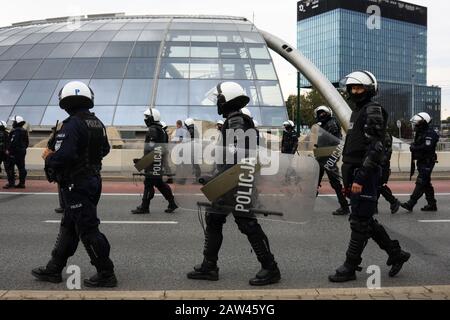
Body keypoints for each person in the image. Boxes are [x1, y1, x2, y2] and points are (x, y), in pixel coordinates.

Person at [187, 81, 281, 286]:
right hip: (228, 183)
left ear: (226, 100)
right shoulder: (234, 120)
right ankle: (209, 266)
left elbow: (238, 157)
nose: (217, 103)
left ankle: (270, 268)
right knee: (214, 220)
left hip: (236, 184)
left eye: (219, 99)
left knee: (247, 224)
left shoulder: (237, 121)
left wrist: (218, 178)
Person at [32, 81, 117, 287]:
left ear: (66, 101)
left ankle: (106, 273)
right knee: (69, 226)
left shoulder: (71, 125)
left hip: (76, 184)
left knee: (88, 229)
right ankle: (54, 269)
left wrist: (49, 156)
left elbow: (65, 156)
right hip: (92, 180)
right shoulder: (97, 122)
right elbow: (105, 149)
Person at [329, 71, 410, 283]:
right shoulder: (358, 112)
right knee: (364, 220)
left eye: (359, 88)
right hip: (354, 173)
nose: (355, 91)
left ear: (370, 89)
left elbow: (375, 148)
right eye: (352, 88)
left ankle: (350, 266)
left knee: (359, 222)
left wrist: (360, 178)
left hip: (363, 176)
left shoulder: (372, 109)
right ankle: (396, 253)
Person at [131, 109, 178, 215]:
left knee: (149, 183)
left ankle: (144, 207)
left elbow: (152, 149)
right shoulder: (162, 130)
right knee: (159, 183)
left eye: (147, 117)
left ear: (153, 117)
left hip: (153, 163)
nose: (145, 119)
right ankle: (172, 203)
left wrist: (143, 161)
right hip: (158, 161)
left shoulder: (152, 130)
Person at [314, 106, 349, 216]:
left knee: (335, 183)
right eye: (319, 113)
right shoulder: (324, 125)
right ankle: (306, 205)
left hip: (329, 157)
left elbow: (335, 142)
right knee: (314, 181)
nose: (321, 115)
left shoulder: (332, 124)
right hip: (322, 156)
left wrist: (327, 152)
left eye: (323, 113)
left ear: (328, 113)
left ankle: (344, 206)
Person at [401, 112, 439, 212]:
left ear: (424, 122)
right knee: (426, 184)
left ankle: (410, 203)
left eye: (418, 122)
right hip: (421, 161)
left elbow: (427, 147)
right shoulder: (420, 133)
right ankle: (432, 204)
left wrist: (414, 148)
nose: (416, 124)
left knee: (421, 182)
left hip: (427, 162)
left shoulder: (430, 133)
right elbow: (417, 144)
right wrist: (414, 146)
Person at [377, 132, 401, 214]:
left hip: (381, 165)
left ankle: (393, 201)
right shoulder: (377, 133)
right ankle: (373, 206)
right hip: (378, 163)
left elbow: (387, 151)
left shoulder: (385, 135)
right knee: (376, 186)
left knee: (378, 186)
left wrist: (380, 162)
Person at [3, 116, 29, 189]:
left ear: (16, 122)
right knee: (21, 168)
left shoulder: (16, 131)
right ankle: (22, 183)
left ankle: (11, 183)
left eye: (13, 122)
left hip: (14, 153)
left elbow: (13, 142)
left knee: (10, 167)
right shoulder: (24, 130)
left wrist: (9, 150)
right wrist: (23, 149)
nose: (12, 123)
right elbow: (27, 143)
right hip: (22, 152)